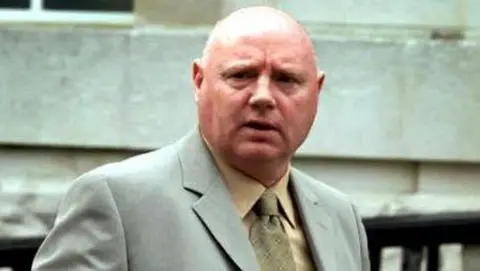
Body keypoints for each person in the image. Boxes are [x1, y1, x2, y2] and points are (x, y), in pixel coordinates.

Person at [32, 6, 370, 271]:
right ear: (199, 81)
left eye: (286, 79)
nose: (263, 96)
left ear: (317, 91)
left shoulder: (341, 217)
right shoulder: (117, 202)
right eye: (241, 75)